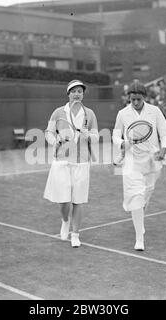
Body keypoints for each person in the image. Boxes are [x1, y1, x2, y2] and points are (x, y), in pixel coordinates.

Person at [112, 80, 166, 251]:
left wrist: (164, 148)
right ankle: (139, 238)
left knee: (146, 193)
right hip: (131, 162)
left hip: (152, 160)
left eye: (138, 99)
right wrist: (122, 143)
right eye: (132, 99)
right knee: (136, 196)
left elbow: (164, 132)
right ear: (129, 98)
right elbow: (115, 135)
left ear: (144, 97)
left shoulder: (155, 111)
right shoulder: (123, 114)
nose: (135, 102)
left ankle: (140, 220)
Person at [44, 80, 99, 248]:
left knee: (78, 200)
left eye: (80, 91)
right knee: (63, 200)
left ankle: (75, 234)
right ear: (68, 94)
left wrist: (87, 134)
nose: (77, 94)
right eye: (74, 91)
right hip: (62, 161)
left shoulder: (89, 114)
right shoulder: (58, 113)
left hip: (82, 162)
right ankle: (65, 220)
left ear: (83, 94)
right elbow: (48, 132)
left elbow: (96, 137)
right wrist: (55, 141)